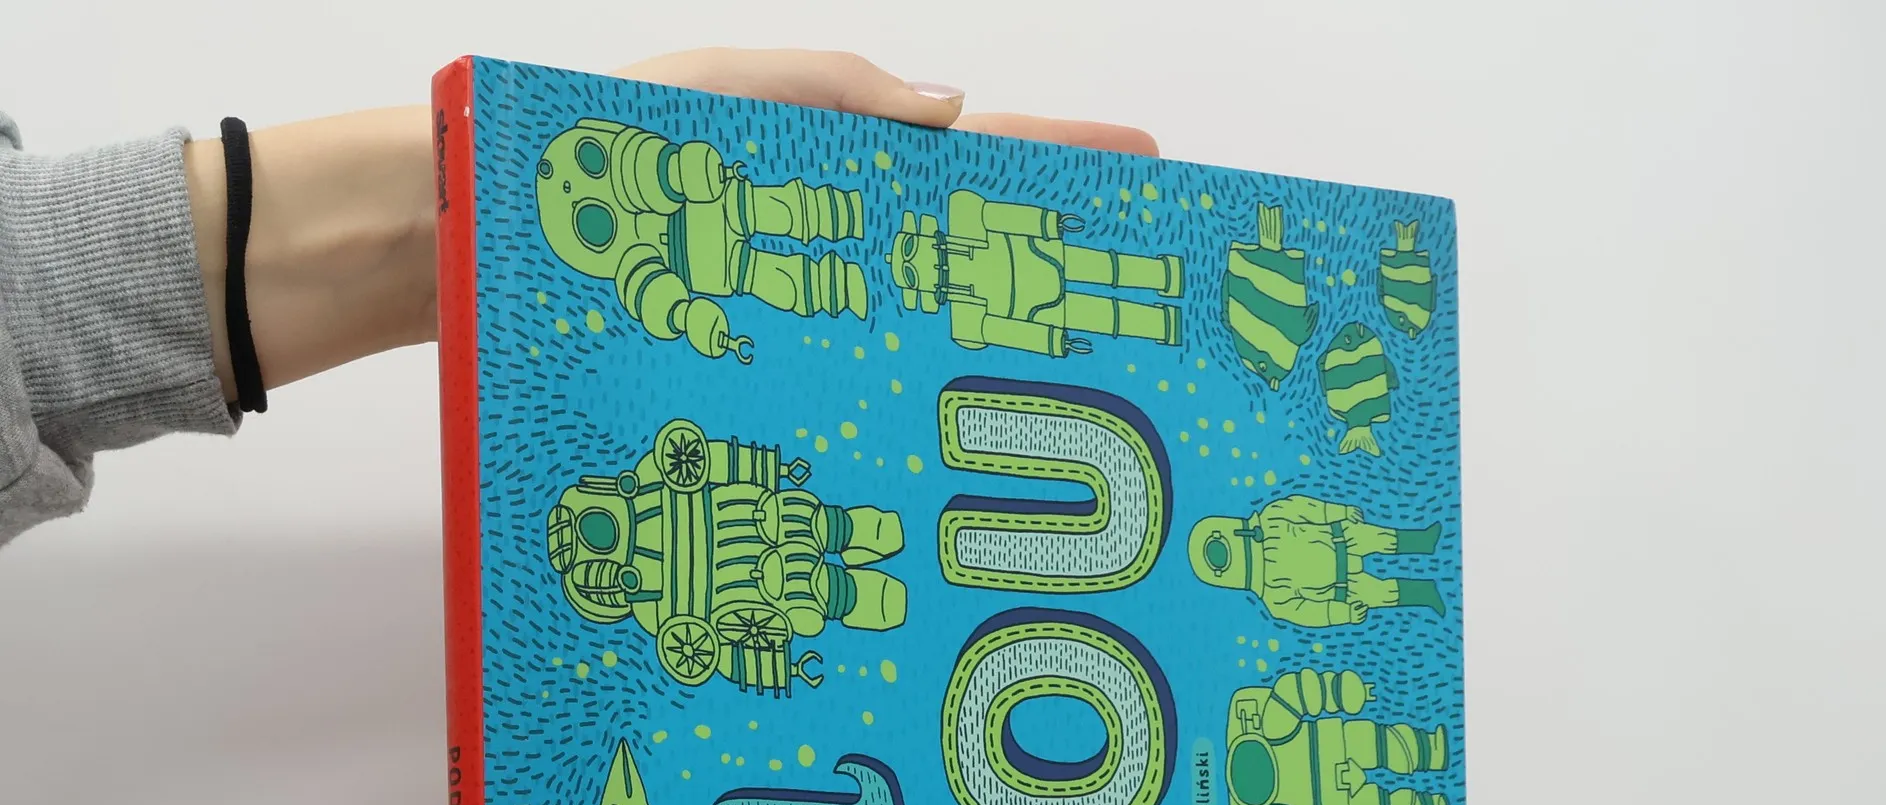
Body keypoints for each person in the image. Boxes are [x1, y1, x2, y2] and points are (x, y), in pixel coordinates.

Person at [0, 48, 1156, 550]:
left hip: (790, 248)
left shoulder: (668, 189)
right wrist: (463, 210)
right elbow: (657, 284)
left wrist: (461, 206)